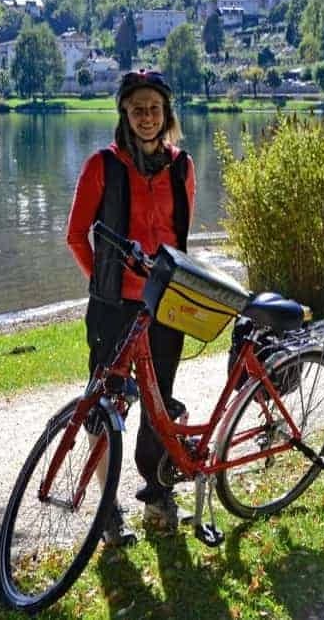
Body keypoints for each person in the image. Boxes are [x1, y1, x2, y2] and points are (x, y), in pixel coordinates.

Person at [65, 69, 196, 543]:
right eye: (137, 109)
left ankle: (159, 494)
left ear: (166, 115)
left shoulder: (182, 167)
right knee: (104, 405)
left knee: (159, 403)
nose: (146, 117)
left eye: (154, 109)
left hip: (165, 306)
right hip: (114, 309)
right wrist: (104, 282)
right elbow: (76, 236)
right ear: (124, 113)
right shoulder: (102, 165)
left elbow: (180, 239)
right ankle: (106, 507)